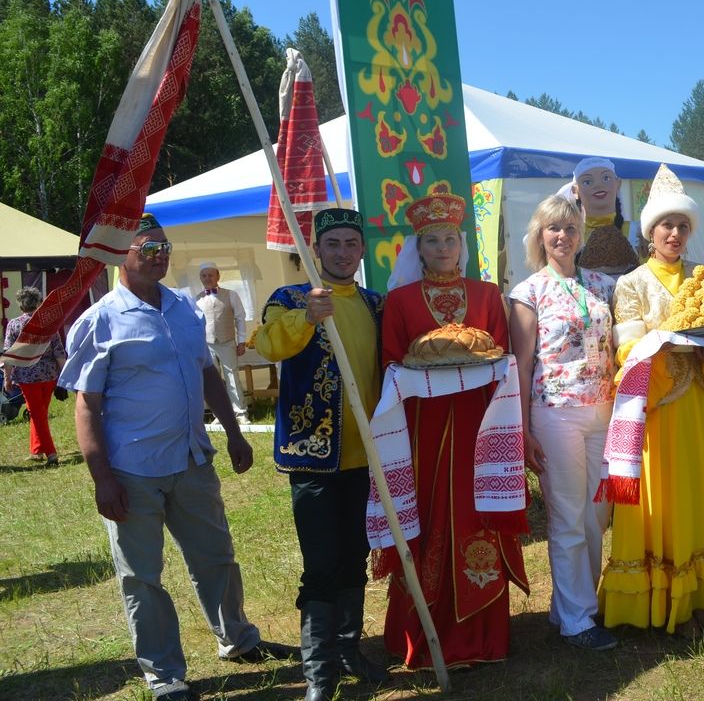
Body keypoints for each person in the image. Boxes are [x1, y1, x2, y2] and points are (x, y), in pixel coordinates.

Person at [58, 214, 289, 701]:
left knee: (217, 558)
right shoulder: (100, 319)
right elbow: (86, 406)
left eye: (164, 247)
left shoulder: (184, 308)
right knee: (143, 578)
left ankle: (239, 640)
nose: (158, 256)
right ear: (122, 253)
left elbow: (207, 373)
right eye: (148, 248)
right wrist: (102, 477)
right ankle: (165, 675)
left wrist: (234, 433)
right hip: (132, 472)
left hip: (191, 462)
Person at [600, 164, 704, 634]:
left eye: (682, 226)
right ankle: (670, 594)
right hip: (661, 406)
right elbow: (628, 350)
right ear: (651, 232)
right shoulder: (631, 283)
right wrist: (668, 341)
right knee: (668, 499)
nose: (674, 233)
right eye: (666, 225)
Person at [381, 188, 528, 668]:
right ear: (417, 248)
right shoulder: (400, 301)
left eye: (451, 239)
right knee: (424, 513)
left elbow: (502, 357)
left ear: (461, 244)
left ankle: (482, 634)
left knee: (475, 510)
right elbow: (390, 364)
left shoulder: (487, 296)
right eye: (433, 240)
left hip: (478, 425)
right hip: (422, 427)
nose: (444, 248)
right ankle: (424, 631)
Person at [254, 208, 385, 701]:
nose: (344, 252)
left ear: (361, 250)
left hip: (366, 456)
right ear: (316, 250)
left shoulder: (374, 304)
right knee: (322, 563)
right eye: (334, 245)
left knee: (356, 556)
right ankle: (319, 675)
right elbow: (268, 345)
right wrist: (306, 316)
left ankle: (349, 650)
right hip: (313, 457)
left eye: (352, 243)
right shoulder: (290, 299)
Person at [508, 196, 618, 652]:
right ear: (540, 236)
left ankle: (568, 604)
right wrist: (522, 428)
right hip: (555, 414)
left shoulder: (603, 284)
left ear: (581, 235)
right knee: (568, 515)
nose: (563, 236)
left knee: (598, 515)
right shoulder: (527, 292)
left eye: (571, 228)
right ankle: (578, 618)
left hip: (604, 411)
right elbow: (521, 362)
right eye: (553, 228)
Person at [2, 286, 66, 465]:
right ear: (39, 303)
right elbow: (59, 352)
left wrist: (7, 378)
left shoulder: (14, 324)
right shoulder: (49, 323)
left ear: (20, 305)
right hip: (50, 375)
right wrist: (66, 375)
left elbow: (9, 354)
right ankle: (36, 450)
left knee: (37, 414)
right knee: (40, 413)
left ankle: (51, 453)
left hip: (26, 375)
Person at [194, 262, 250, 423]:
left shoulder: (231, 295)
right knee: (213, 381)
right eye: (204, 276)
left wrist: (242, 341)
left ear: (218, 276)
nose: (207, 278)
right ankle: (220, 415)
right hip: (207, 344)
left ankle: (240, 413)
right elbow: (194, 324)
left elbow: (240, 317)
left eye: (210, 275)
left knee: (232, 377)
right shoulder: (196, 299)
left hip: (227, 342)